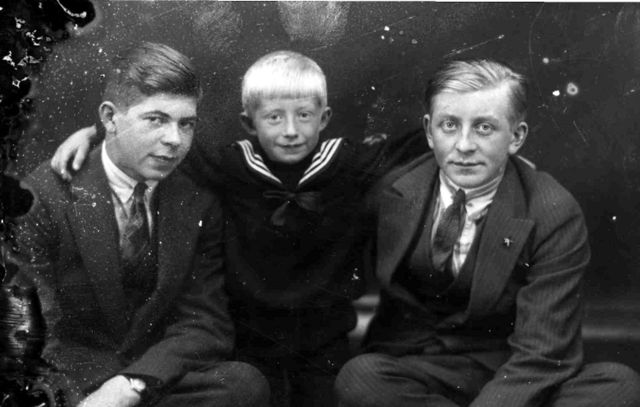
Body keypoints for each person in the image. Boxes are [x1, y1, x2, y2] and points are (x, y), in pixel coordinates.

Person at [48, 50, 426, 406]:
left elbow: (414, 144)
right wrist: (95, 133)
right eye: (274, 117)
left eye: (304, 115)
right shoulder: (231, 165)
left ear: (324, 118)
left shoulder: (348, 162)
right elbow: (152, 136)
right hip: (250, 333)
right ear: (248, 123)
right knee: (250, 391)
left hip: (324, 334)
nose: (291, 131)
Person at [334, 59, 640, 407]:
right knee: (360, 377)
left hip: (514, 368)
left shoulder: (552, 210)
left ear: (516, 137)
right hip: (423, 367)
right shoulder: (392, 191)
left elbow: (543, 352)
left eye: (484, 128)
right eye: (450, 125)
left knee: (618, 385)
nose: (464, 145)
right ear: (429, 131)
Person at [8, 42, 269, 407]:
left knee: (242, 384)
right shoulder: (42, 198)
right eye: (156, 120)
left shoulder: (196, 201)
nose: (174, 140)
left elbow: (203, 323)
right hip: (72, 380)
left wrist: (131, 385)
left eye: (186, 124)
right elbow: (32, 334)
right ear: (110, 118)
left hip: (150, 379)